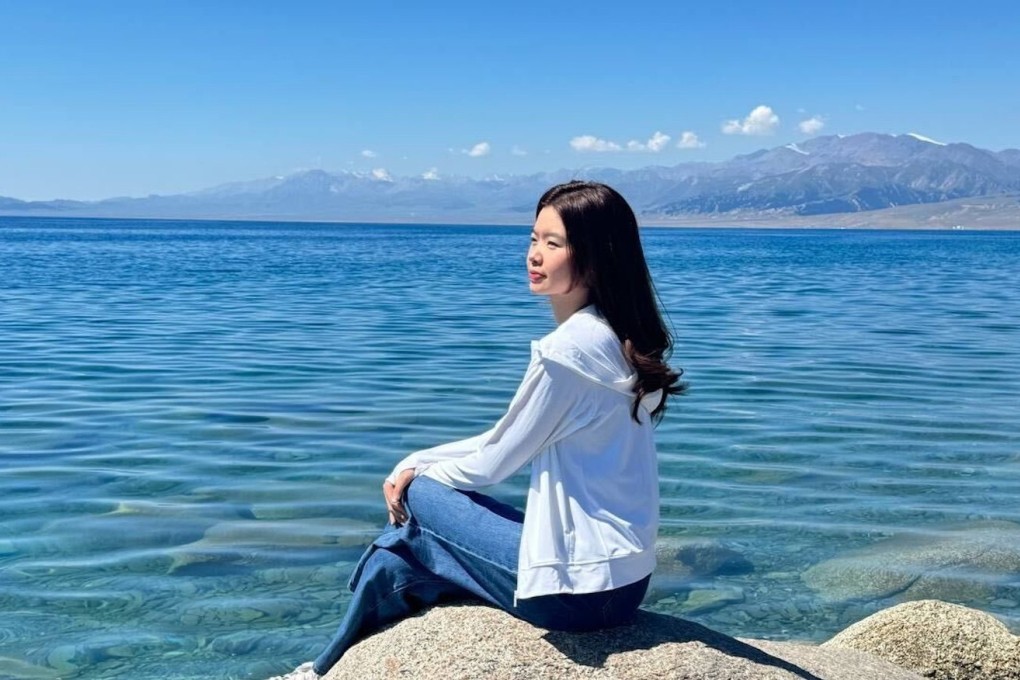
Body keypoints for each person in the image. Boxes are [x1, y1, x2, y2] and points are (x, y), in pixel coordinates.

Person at [311, 180, 684, 676]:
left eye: (554, 244)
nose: (534, 255)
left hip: (572, 597)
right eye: (533, 238)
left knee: (420, 497)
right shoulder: (619, 339)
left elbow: (492, 463)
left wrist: (412, 469)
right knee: (404, 553)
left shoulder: (568, 352)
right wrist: (421, 458)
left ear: (596, 258)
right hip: (626, 587)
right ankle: (351, 638)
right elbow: (504, 439)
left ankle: (328, 665)